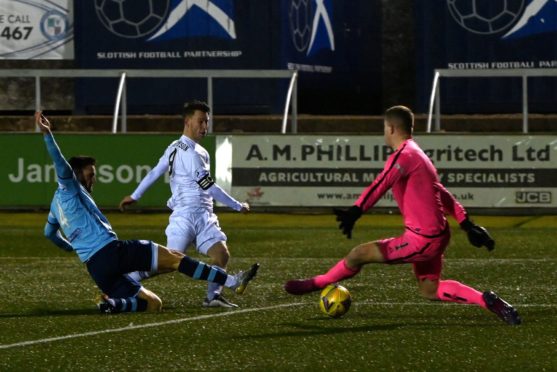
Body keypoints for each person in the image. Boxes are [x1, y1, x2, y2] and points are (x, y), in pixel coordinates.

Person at [284, 105, 521, 326]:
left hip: (423, 239)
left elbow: (382, 182)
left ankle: (316, 284)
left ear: (391, 128)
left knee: (358, 254)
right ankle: (487, 299)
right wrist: (466, 223)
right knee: (430, 290)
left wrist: (356, 211)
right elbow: (443, 193)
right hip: (436, 234)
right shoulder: (419, 155)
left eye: (384, 129)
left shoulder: (404, 155)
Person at [37, 111, 259, 314]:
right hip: (113, 252)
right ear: (74, 175)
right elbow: (59, 161)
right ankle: (231, 281)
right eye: (89, 174)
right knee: (175, 258)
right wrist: (47, 133)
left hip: (96, 269)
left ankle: (114, 304)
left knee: (154, 304)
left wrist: (72, 247)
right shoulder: (68, 185)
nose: (93, 178)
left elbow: (49, 233)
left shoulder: (55, 208)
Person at [119, 100, 250, 308]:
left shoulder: (178, 147)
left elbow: (155, 171)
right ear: (188, 121)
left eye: (206, 122)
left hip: (204, 215)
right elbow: (209, 187)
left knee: (221, 254)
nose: (204, 127)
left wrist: (135, 195)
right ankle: (125, 281)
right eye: (201, 121)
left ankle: (213, 297)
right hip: (185, 216)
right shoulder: (191, 153)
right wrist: (237, 205)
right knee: (167, 263)